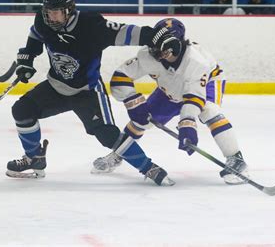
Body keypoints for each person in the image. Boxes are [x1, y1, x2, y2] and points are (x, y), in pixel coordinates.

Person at [6, 0, 174, 186]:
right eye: (49, 12)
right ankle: (34, 158)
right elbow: (36, 35)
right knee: (22, 110)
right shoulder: (43, 21)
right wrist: (27, 58)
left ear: (69, 10)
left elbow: (125, 32)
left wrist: (156, 35)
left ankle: (149, 167)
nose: (52, 17)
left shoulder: (91, 25)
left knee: (107, 135)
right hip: (56, 86)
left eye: (56, 12)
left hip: (87, 92)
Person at [92, 18, 250, 185]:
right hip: (170, 89)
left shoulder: (196, 62)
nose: (157, 53)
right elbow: (121, 76)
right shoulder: (148, 55)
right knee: (142, 120)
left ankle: (236, 159)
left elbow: (194, 96)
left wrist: (187, 122)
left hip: (206, 84)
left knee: (209, 110)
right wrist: (134, 102)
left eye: (163, 48)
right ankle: (120, 153)